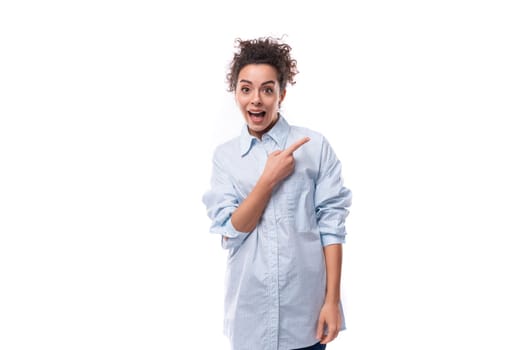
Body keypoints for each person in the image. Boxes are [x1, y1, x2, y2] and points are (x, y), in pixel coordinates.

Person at [202, 36, 352, 350]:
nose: (256, 100)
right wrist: (268, 180)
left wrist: (332, 301)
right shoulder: (225, 157)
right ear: (236, 94)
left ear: (281, 94)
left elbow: (332, 227)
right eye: (246, 89)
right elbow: (231, 230)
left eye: (267, 89)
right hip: (250, 318)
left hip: (306, 316)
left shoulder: (314, 147)